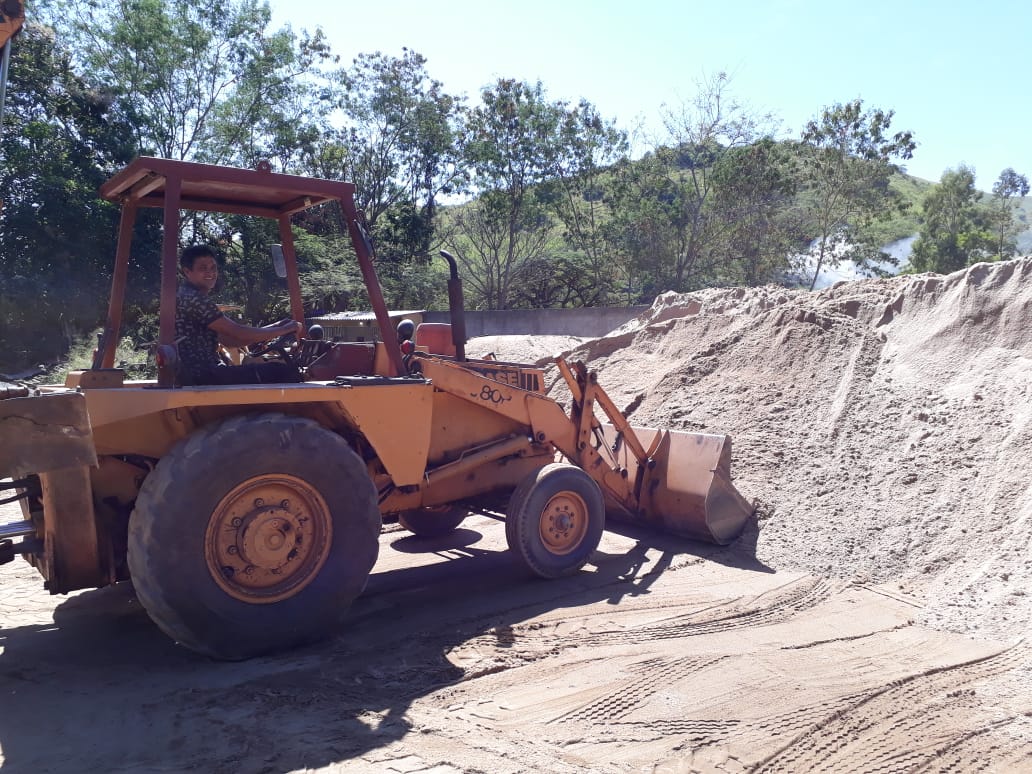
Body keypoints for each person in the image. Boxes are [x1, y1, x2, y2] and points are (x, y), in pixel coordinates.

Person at [175, 244, 302, 385]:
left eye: (213, 268)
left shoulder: (186, 296)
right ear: (187, 271)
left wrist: (276, 326)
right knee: (284, 373)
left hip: (199, 374)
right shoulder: (194, 299)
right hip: (203, 374)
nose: (210, 273)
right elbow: (238, 333)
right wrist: (284, 329)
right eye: (203, 268)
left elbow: (230, 341)